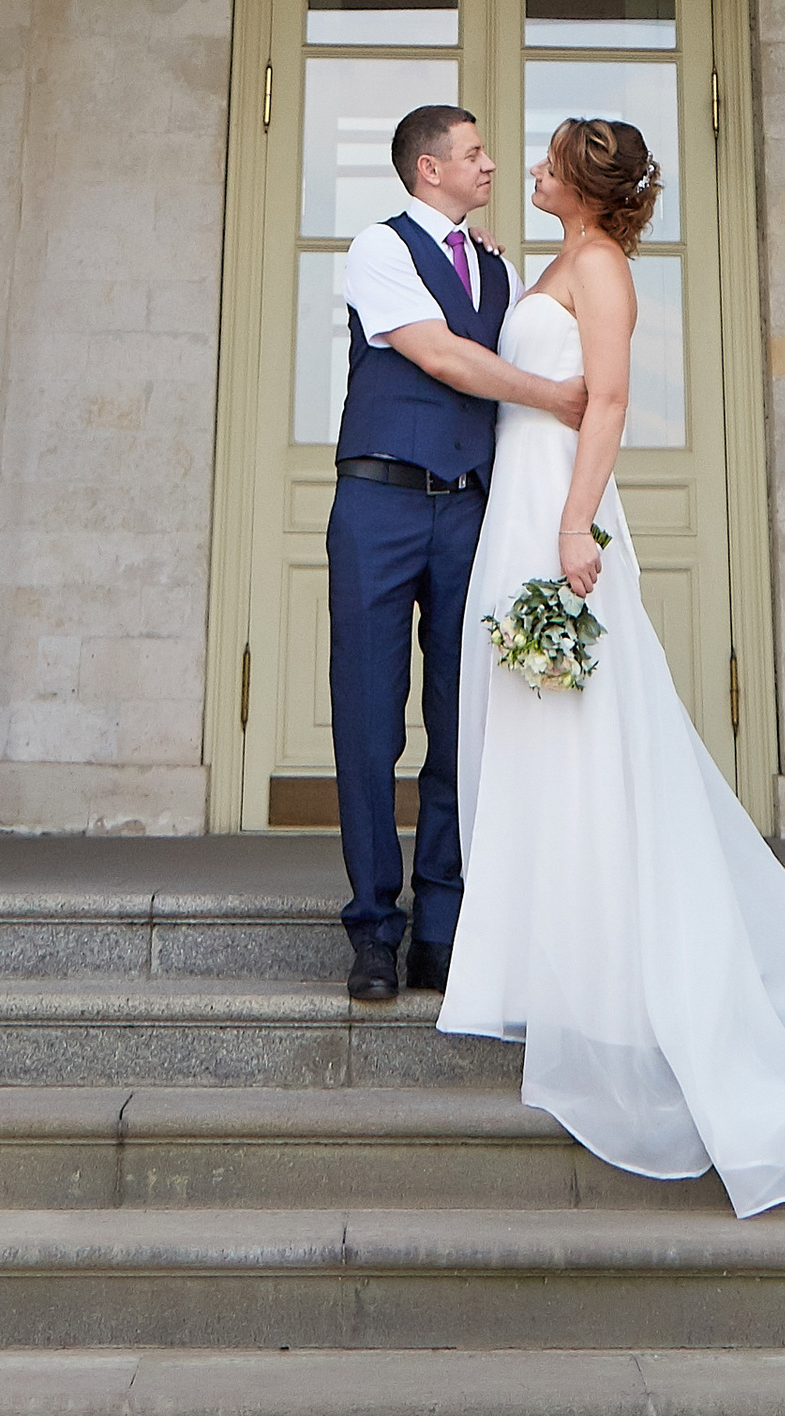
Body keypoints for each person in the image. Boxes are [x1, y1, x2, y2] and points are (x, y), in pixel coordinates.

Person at [440, 114, 785, 1218]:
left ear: (585, 185)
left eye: (549, 162)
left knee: (584, 727)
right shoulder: (554, 258)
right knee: (524, 722)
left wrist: (573, 528)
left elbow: (604, 403)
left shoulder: (599, 270)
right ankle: (528, 956)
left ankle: (607, 970)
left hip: (556, 504)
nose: (532, 171)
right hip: (514, 501)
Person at [329, 101, 587, 1007]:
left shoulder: (499, 269)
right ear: (428, 168)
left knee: (458, 716)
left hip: (467, 512)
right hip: (378, 503)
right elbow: (441, 358)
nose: (490, 165)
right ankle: (373, 928)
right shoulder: (380, 248)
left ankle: (440, 928)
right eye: (475, 153)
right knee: (367, 719)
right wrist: (559, 396)